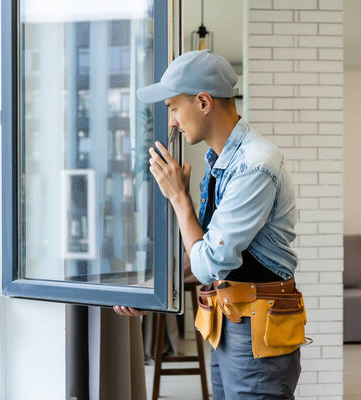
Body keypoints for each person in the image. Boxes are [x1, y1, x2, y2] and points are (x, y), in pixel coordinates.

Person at [113, 49, 303, 399]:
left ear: (202, 102)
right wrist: (156, 291)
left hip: (256, 330)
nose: (171, 120)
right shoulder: (222, 161)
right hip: (230, 322)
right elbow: (205, 249)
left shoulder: (253, 166)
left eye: (173, 107)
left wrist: (179, 199)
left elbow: (210, 263)